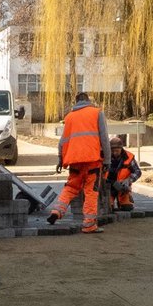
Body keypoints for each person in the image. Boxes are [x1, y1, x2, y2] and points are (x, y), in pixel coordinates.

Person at [47, 92, 111, 234]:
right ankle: (89, 224)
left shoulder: (69, 117)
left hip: (74, 161)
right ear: (88, 100)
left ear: (76, 102)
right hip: (92, 161)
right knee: (90, 192)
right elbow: (105, 139)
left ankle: (57, 211)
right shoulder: (97, 113)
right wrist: (107, 160)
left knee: (71, 187)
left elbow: (63, 141)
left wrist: (60, 159)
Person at [107, 135, 141, 211]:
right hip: (109, 188)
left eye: (117, 151)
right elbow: (101, 175)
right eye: (112, 151)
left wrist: (128, 180)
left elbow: (138, 172)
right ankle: (110, 202)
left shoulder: (128, 157)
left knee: (127, 207)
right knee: (108, 208)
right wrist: (113, 183)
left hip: (123, 188)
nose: (114, 153)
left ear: (121, 149)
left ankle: (125, 198)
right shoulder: (106, 157)